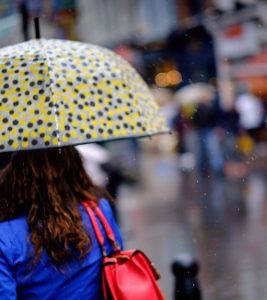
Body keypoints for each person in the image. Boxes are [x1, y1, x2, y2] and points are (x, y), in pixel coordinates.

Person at [0, 147, 123, 299]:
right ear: (74, 167)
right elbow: (117, 268)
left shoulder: (5, 237)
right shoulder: (100, 211)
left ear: (17, 175)